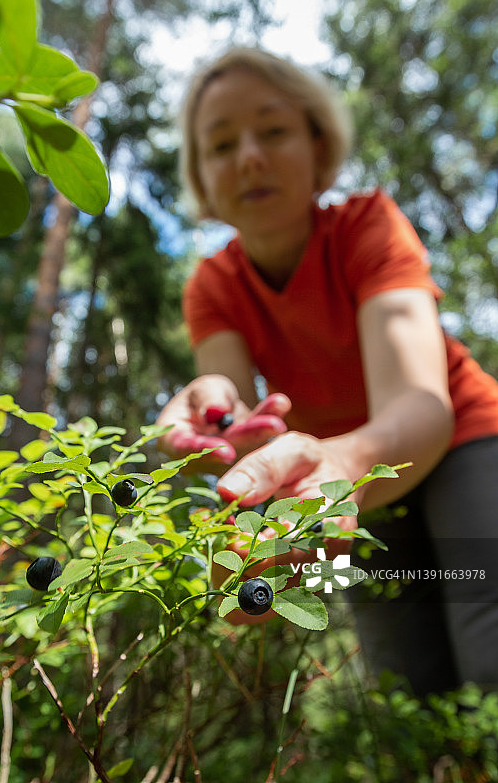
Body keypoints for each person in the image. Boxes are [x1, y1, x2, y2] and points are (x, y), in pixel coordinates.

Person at [156, 46, 498, 695]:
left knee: (488, 639)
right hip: (338, 482)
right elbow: (241, 423)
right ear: (201, 176)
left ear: (319, 145)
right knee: (403, 679)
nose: (249, 157)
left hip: (459, 439)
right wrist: (213, 423)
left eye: (273, 130)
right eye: (221, 145)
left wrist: (341, 464)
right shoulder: (212, 287)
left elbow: (423, 405)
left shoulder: (368, 226)